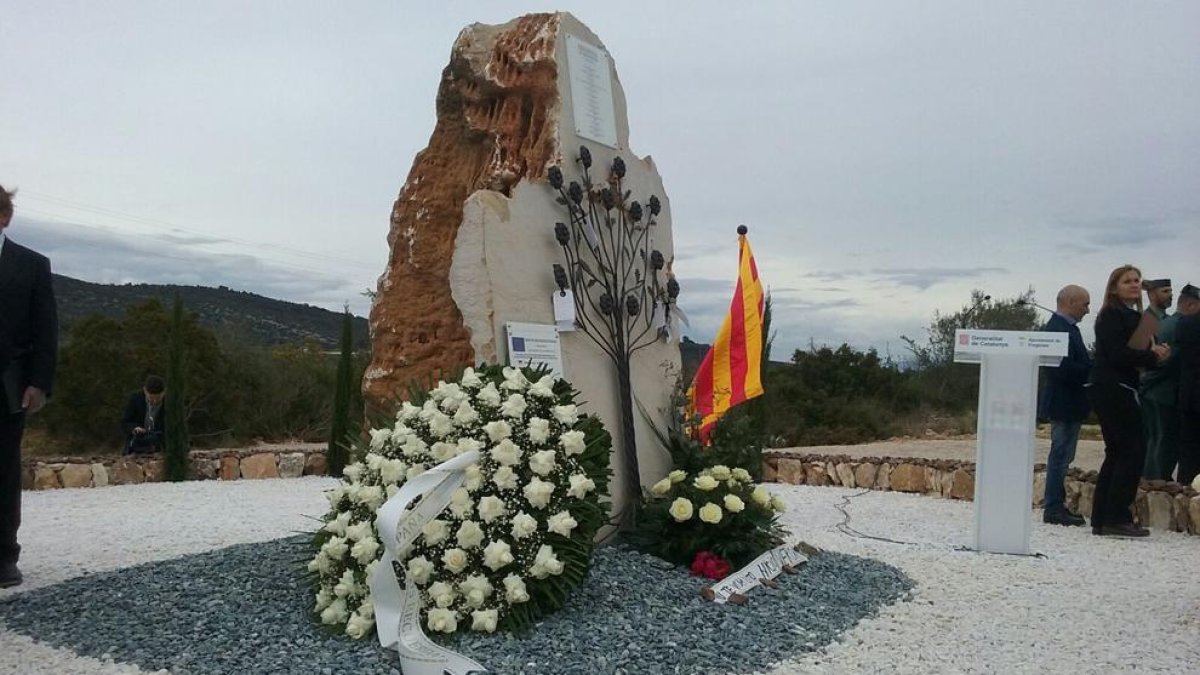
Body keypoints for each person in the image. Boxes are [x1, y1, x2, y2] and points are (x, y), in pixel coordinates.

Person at [0, 185, 58, 589]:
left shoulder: (31, 265)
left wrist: (39, 382)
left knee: (3, 471)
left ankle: (5, 554)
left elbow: (46, 328)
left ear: (4, 217)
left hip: (7, 384)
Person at [1088, 265, 1170, 538]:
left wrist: (1154, 354)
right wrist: (1151, 357)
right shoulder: (1112, 315)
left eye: (1137, 281)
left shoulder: (1131, 316)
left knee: (1117, 452)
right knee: (1132, 451)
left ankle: (1102, 517)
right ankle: (1116, 516)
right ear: (1114, 287)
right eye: (1127, 281)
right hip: (1115, 388)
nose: (1134, 285)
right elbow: (1117, 354)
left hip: (1117, 386)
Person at [1038, 284, 1092, 526]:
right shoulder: (1058, 330)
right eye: (1085, 304)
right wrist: (1092, 370)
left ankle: (1055, 504)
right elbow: (1060, 369)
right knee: (1059, 455)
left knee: (1063, 455)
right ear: (1070, 302)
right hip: (1063, 402)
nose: (1088, 310)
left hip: (1070, 402)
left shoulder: (1068, 329)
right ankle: (1053, 506)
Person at [1142, 283, 1195, 480]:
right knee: (1163, 441)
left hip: (1153, 391)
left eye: (1171, 292)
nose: (1169, 295)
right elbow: (1160, 362)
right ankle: (1154, 482)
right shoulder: (1159, 322)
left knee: (1155, 439)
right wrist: (1144, 384)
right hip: (1162, 391)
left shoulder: (1164, 321)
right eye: (1165, 291)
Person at [1173, 284, 1200, 486]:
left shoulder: (1183, 324)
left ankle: (1185, 489)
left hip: (1188, 395)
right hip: (1192, 396)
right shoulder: (1189, 324)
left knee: (1188, 451)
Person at [122, 375, 167, 455]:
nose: (154, 401)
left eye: (158, 398)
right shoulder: (135, 399)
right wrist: (135, 429)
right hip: (137, 443)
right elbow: (125, 422)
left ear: (164, 393)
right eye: (151, 398)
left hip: (160, 444)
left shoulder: (171, 404)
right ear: (145, 391)